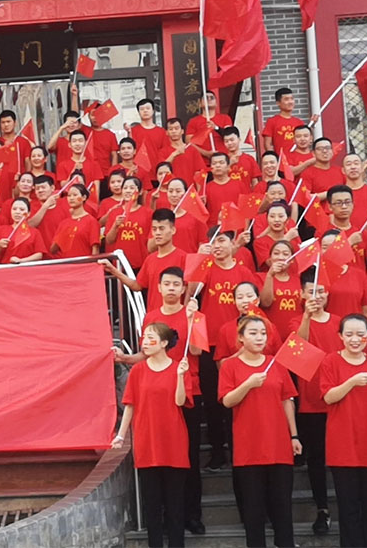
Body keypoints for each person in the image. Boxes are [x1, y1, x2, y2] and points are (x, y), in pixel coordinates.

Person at [117, 269, 204, 534]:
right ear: (159, 288)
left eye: (176, 284)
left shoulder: (195, 314)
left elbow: (197, 350)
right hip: (157, 390)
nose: (171, 288)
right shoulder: (151, 317)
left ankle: (191, 515)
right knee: (159, 464)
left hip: (186, 387)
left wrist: (192, 321)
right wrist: (126, 358)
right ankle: (164, 518)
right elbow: (146, 354)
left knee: (188, 458)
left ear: (183, 288)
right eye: (167, 284)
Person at [219, 315, 299, 548]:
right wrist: (248, 384)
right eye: (253, 333)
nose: (259, 338)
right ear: (241, 338)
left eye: (263, 333)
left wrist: (294, 435)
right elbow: (227, 400)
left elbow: (287, 400)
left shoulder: (276, 363)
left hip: (278, 443)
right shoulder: (230, 366)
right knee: (253, 510)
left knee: (282, 507)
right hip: (249, 446)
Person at [112, 322, 192, 547]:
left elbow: (180, 401)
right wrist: (121, 435)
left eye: (150, 338)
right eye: (144, 338)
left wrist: (180, 376)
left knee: (175, 504)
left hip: (174, 441)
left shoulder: (178, 367)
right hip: (147, 441)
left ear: (164, 343)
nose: (145, 342)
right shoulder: (138, 371)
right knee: (152, 505)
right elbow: (130, 405)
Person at [321, 314, 367, 548]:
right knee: (348, 506)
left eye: (361, 334)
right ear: (340, 336)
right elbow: (328, 396)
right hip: (343, 441)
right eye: (349, 334)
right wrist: (351, 382)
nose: (355, 339)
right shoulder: (330, 361)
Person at [194, 228, 258, 471]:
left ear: (233, 245)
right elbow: (190, 295)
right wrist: (199, 260)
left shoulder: (243, 272)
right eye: (213, 242)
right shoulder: (206, 267)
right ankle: (218, 452)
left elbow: (256, 303)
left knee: (240, 400)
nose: (217, 246)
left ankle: (240, 450)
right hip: (209, 343)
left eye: (221, 241)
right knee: (212, 402)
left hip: (240, 344)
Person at [296, 266, 342, 536]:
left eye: (322, 291)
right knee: (316, 458)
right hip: (311, 400)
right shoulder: (297, 321)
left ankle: (347, 504)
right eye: (312, 291)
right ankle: (322, 509)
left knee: (340, 455)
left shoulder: (340, 322)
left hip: (339, 398)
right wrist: (306, 316)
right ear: (302, 294)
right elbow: (299, 345)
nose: (318, 295)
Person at [213, 283, 281, 362]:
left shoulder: (270, 327)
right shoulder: (226, 329)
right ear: (235, 301)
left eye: (249, 296)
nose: (245, 301)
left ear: (258, 299)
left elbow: (280, 359)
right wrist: (240, 354)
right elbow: (220, 365)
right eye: (240, 297)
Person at [104, 176, 153, 271]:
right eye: (125, 188)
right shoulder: (115, 213)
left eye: (132, 188)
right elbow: (109, 241)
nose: (128, 191)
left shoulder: (148, 213)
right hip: (120, 263)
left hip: (141, 263)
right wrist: (115, 226)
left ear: (140, 191)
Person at [258, 241, 303, 340]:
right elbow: (265, 303)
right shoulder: (259, 277)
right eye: (276, 253)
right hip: (270, 336)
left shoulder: (299, 281)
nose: (280, 257)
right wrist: (270, 276)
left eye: (285, 254)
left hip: (294, 337)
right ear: (270, 258)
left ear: (292, 260)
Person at [48, 183, 99, 259]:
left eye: (75, 195)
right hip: (67, 264)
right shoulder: (64, 223)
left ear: (84, 197)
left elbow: (95, 249)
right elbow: (53, 250)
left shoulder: (91, 221)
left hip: (84, 264)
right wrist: (62, 235)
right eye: (69, 195)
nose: (71, 198)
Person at [0, 197, 46, 264]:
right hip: (7, 267)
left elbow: (39, 255)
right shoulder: (2, 229)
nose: (17, 212)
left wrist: (21, 260)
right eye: (14, 209)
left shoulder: (34, 232)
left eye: (22, 209)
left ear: (28, 213)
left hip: (27, 268)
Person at [203, 152, 248, 224]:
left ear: (228, 166)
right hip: (214, 228)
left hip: (236, 227)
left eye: (221, 162)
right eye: (214, 163)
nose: (218, 165)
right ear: (210, 168)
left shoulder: (239, 185)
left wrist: (246, 229)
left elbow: (246, 210)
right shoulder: (205, 188)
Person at [251, 201, 298, 271]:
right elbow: (272, 264)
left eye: (281, 216)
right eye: (272, 216)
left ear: (288, 220)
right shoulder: (260, 242)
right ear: (267, 219)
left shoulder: (293, 237)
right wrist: (285, 239)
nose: (276, 220)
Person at [185, 92, 233, 160]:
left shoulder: (225, 118)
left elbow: (229, 135)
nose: (209, 99)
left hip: (223, 160)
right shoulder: (193, 121)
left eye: (212, 98)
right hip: (202, 161)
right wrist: (206, 153)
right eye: (206, 98)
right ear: (200, 104)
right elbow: (189, 142)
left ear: (216, 103)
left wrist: (216, 128)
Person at [262, 88, 309, 156]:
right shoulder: (272, 121)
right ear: (278, 103)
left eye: (292, 99)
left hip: (298, 159)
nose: (290, 102)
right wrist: (274, 158)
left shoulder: (299, 122)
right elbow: (268, 144)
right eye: (286, 99)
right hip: (282, 159)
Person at [159, 118, 201, 185]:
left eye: (176, 128)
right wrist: (174, 154)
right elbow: (162, 169)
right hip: (172, 189)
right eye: (170, 129)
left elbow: (199, 173)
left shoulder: (192, 149)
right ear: (166, 132)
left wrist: (199, 190)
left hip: (190, 189)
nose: (174, 131)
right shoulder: (162, 152)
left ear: (182, 131)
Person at [301, 138, 342, 202]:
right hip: (318, 208)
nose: (324, 151)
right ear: (313, 153)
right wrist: (330, 193)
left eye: (327, 148)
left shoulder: (340, 171)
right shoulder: (307, 173)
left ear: (332, 151)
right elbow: (305, 197)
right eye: (320, 149)